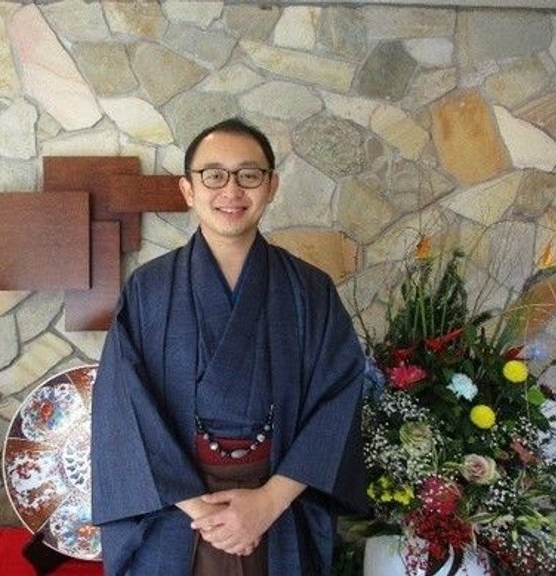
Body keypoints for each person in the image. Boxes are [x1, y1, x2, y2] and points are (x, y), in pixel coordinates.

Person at [91, 117, 367, 575]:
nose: (232, 190)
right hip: (176, 511)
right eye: (214, 175)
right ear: (188, 189)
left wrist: (269, 502)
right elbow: (123, 406)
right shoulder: (149, 289)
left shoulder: (310, 290)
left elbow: (338, 399)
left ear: (271, 186)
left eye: (249, 175)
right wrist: (202, 511)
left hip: (277, 508)